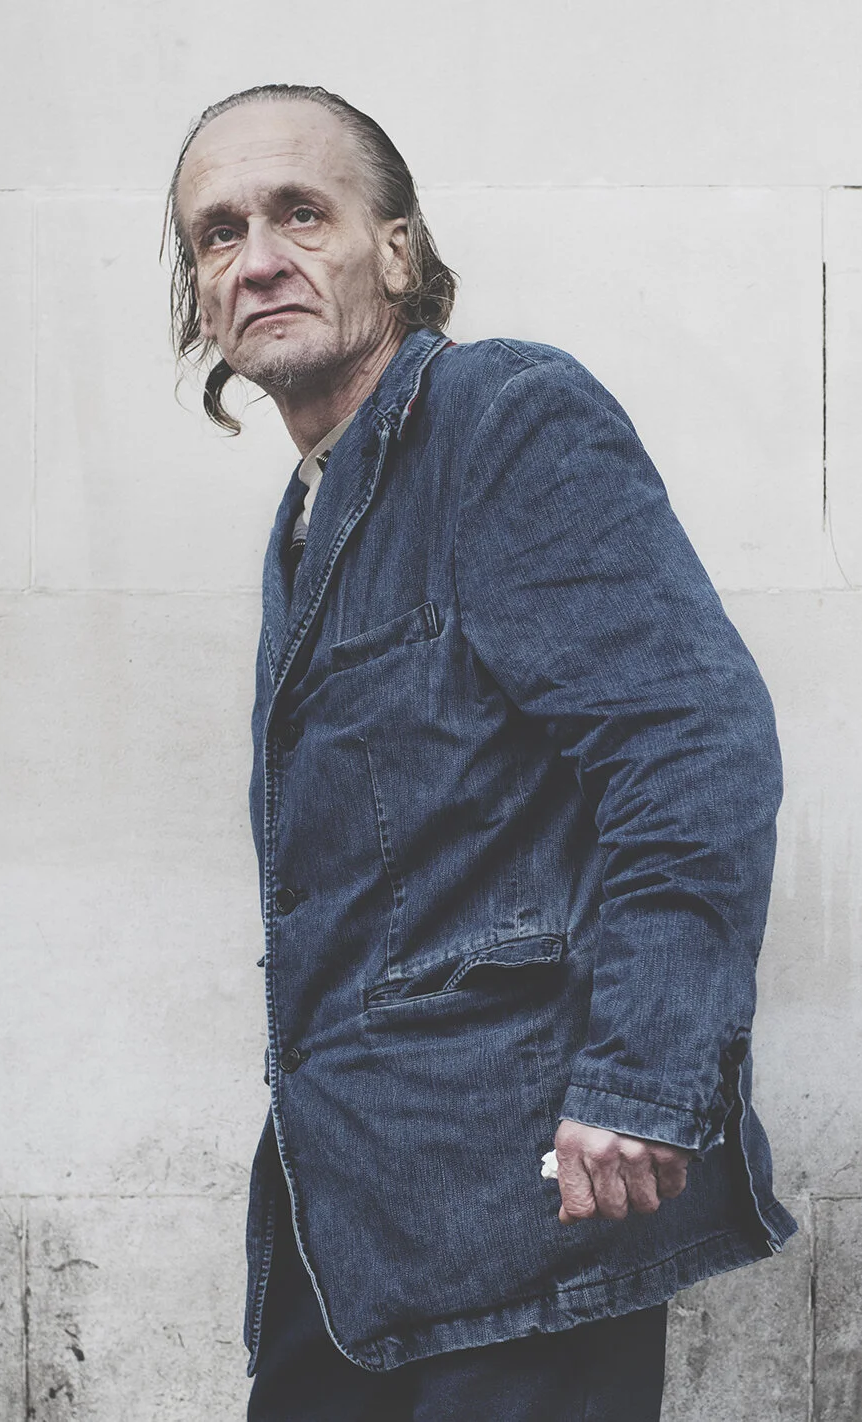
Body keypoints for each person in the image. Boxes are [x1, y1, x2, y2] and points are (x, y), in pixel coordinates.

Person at [165, 83, 797, 1421]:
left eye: (299, 211)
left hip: (521, 1204)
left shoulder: (503, 419)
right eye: (218, 233)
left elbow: (691, 746)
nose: (258, 254)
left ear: (395, 251)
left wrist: (643, 1076)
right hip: (353, 1223)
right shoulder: (313, 509)